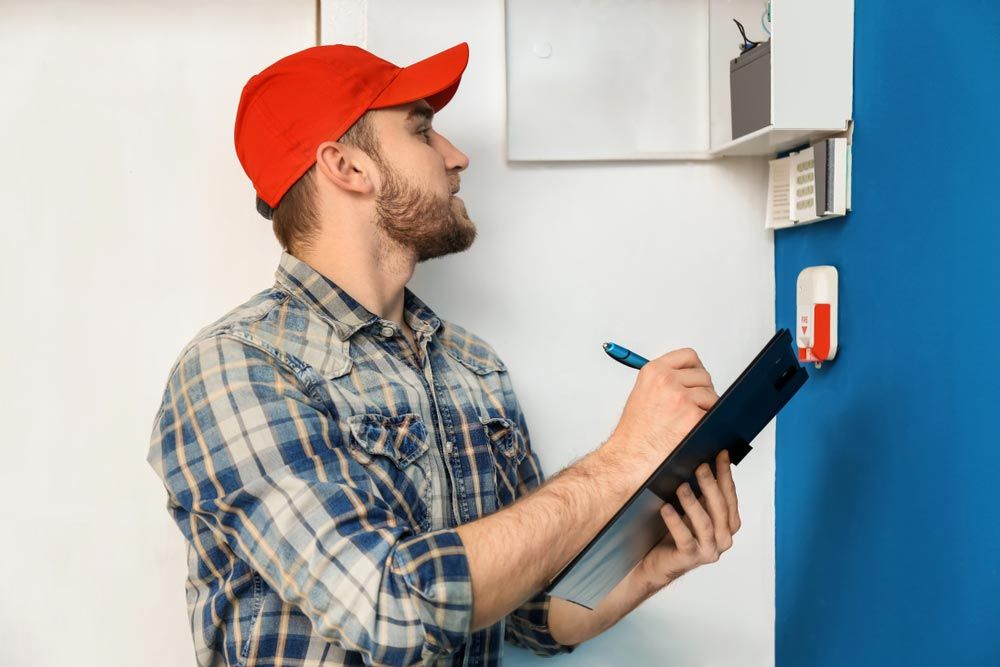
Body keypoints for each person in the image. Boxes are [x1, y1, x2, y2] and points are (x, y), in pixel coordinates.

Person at [147, 41, 741, 667]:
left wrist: (649, 567)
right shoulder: (235, 369)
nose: (456, 157)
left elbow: (532, 614)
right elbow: (391, 610)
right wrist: (627, 459)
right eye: (423, 131)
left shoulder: (470, 364)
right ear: (347, 167)